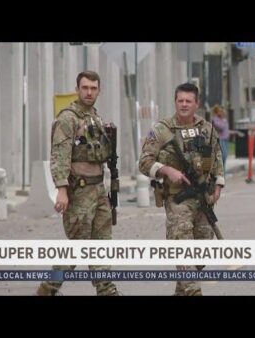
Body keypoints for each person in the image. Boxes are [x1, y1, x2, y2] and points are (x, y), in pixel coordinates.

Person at [36, 70, 120, 296]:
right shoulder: (67, 118)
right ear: (77, 89)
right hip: (79, 192)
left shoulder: (95, 117)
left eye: (93, 88)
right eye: (85, 88)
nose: (89, 92)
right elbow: (59, 155)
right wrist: (61, 190)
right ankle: (47, 288)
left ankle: (106, 290)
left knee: (101, 244)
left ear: (99, 90)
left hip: (99, 190)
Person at [139, 83, 225, 296]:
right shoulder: (161, 129)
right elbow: (144, 162)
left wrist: (219, 185)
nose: (184, 104)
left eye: (188, 101)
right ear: (175, 102)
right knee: (184, 253)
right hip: (177, 199)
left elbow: (217, 156)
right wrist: (166, 170)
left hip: (203, 199)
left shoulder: (207, 128)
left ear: (196, 103)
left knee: (201, 256)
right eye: (180, 101)